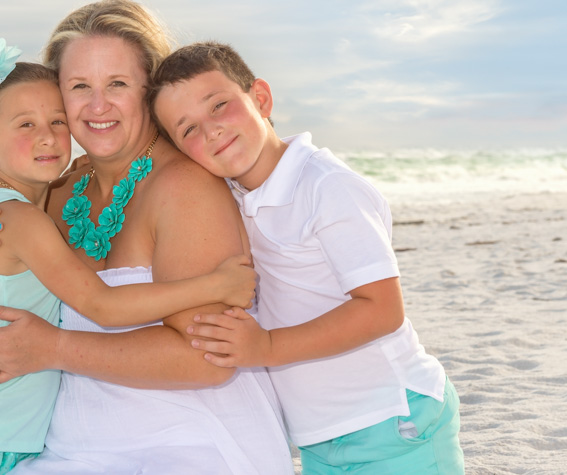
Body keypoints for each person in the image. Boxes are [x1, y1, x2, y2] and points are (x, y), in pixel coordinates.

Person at [0, 1, 293, 474]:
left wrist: (55, 349)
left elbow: (210, 359)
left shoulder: (183, 189)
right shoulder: (54, 192)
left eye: (117, 84)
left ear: (149, 90)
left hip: (184, 440)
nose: (97, 106)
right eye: (80, 87)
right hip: (68, 443)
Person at [150, 41, 465, 474]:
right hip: (318, 438)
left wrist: (267, 346)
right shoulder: (230, 199)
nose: (211, 131)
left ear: (260, 98)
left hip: (392, 419)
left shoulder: (325, 186)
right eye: (187, 130)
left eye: (219, 105)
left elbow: (383, 309)